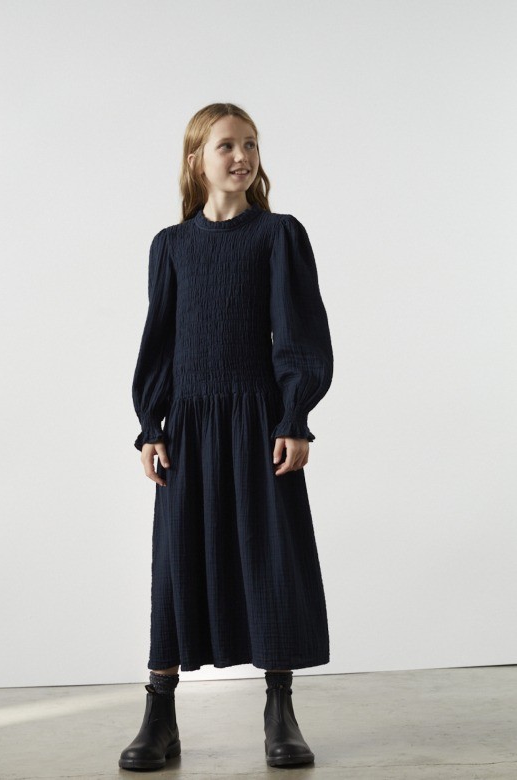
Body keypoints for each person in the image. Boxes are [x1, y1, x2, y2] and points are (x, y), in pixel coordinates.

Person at [119, 102, 334, 772]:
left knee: (270, 561)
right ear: (196, 160)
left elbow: (298, 332)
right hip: (188, 427)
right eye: (226, 146)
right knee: (175, 564)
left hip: (258, 425)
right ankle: (160, 716)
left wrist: (294, 417)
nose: (242, 157)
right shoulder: (171, 245)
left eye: (251, 145)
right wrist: (150, 425)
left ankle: (280, 711)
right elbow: (159, 343)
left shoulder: (279, 235)